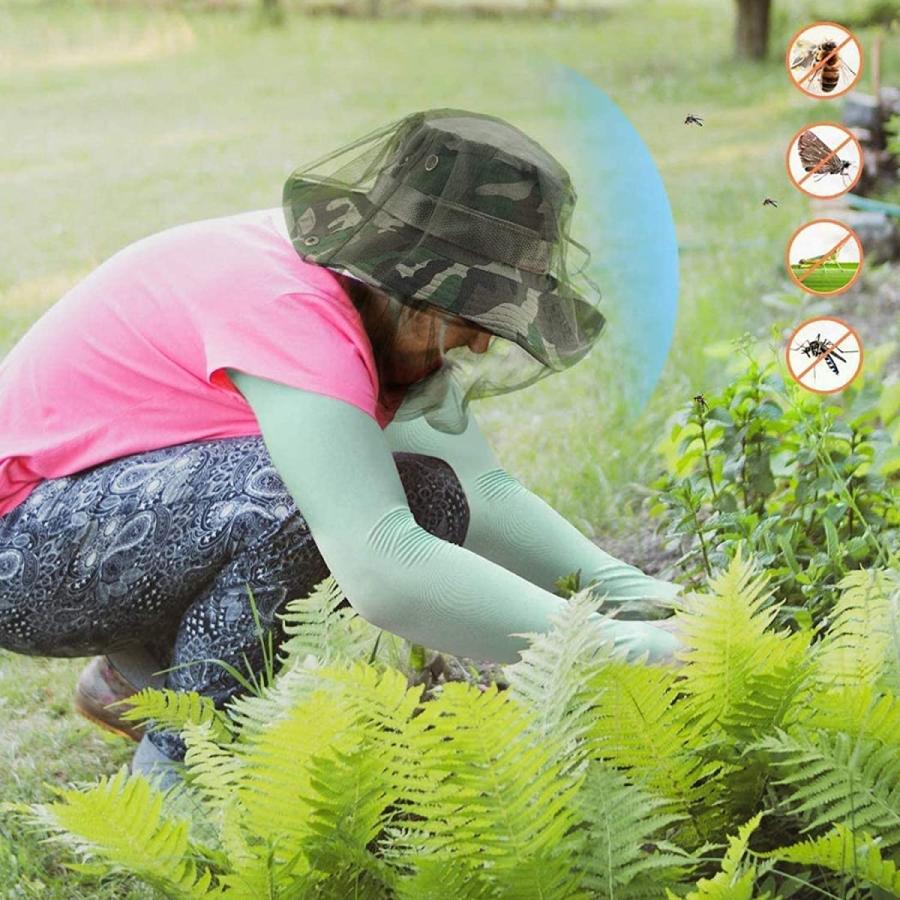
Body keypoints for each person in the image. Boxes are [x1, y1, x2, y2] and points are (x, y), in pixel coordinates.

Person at [0, 108, 684, 785]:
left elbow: (482, 491)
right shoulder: (294, 315)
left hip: (90, 520)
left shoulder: (369, 300)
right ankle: (181, 774)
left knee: (431, 491)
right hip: (18, 549)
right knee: (293, 501)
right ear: (410, 284)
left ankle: (136, 678)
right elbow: (383, 565)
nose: (482, 341)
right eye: (475, 313)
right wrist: (621, 650)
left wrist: (646, 599)